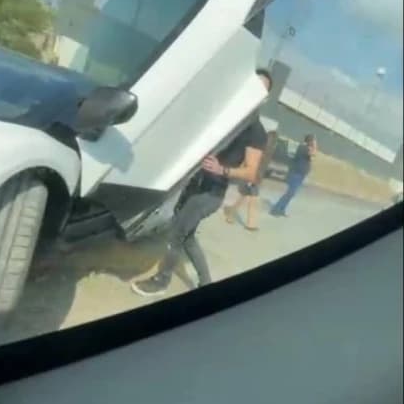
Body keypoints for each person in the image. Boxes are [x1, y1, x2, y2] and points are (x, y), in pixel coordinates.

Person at [132, 69, 273, 297]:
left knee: (176, 233)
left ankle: (162, 280)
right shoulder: (227, 116)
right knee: (187, 238)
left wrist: (222, 169)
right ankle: (206, 283)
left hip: (210, 194)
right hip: (194, 184)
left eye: (261, 89)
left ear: (264, 98)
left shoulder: (256, 131)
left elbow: (250, 172)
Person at [270, 134, 316, 217]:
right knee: (290, 193)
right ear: (310, 141)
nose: (314, 142)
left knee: (291, 194)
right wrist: (315, 146)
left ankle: (281, 209)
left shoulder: (304, 148)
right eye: (313, 141)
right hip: (297, 174)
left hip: (299, 174)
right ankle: (275, 210)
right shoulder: (304, 148)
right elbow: (313, 154)